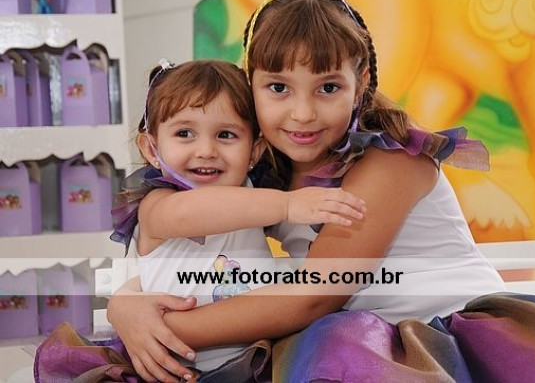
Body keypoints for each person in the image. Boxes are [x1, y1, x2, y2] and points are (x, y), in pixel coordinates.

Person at [76, 0, 535, 382]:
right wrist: (126, 305)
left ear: (361, 86)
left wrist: (165, 329)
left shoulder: (391, 163)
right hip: (362, 340)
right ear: (251, 85)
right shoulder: (266, 174)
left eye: (328, 88)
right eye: (278, 87)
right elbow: (187, 253)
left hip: (442, 337)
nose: (302, 113)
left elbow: (314, 297)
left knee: (334, 348)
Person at [33, 59, 366, 382]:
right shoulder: (157, 206)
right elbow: (195, 212)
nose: (206, 150)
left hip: (257, 358)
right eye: (184, 133)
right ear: (151, 149)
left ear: (254, 152)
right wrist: (288, 204)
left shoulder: (253, 196)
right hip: (177, 369)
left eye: (226, 135)